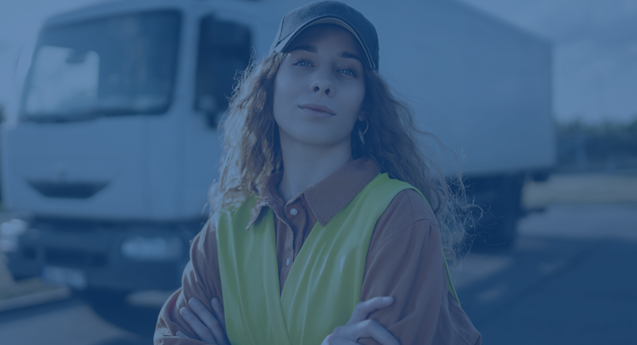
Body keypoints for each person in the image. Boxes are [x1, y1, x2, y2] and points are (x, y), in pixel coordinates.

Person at [154, 1, 481, 344]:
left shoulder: (399, 216)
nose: (322, 82)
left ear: (365, 107)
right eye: (304, 62)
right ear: (269, 87)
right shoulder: (223, 230)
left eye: (346, 71)